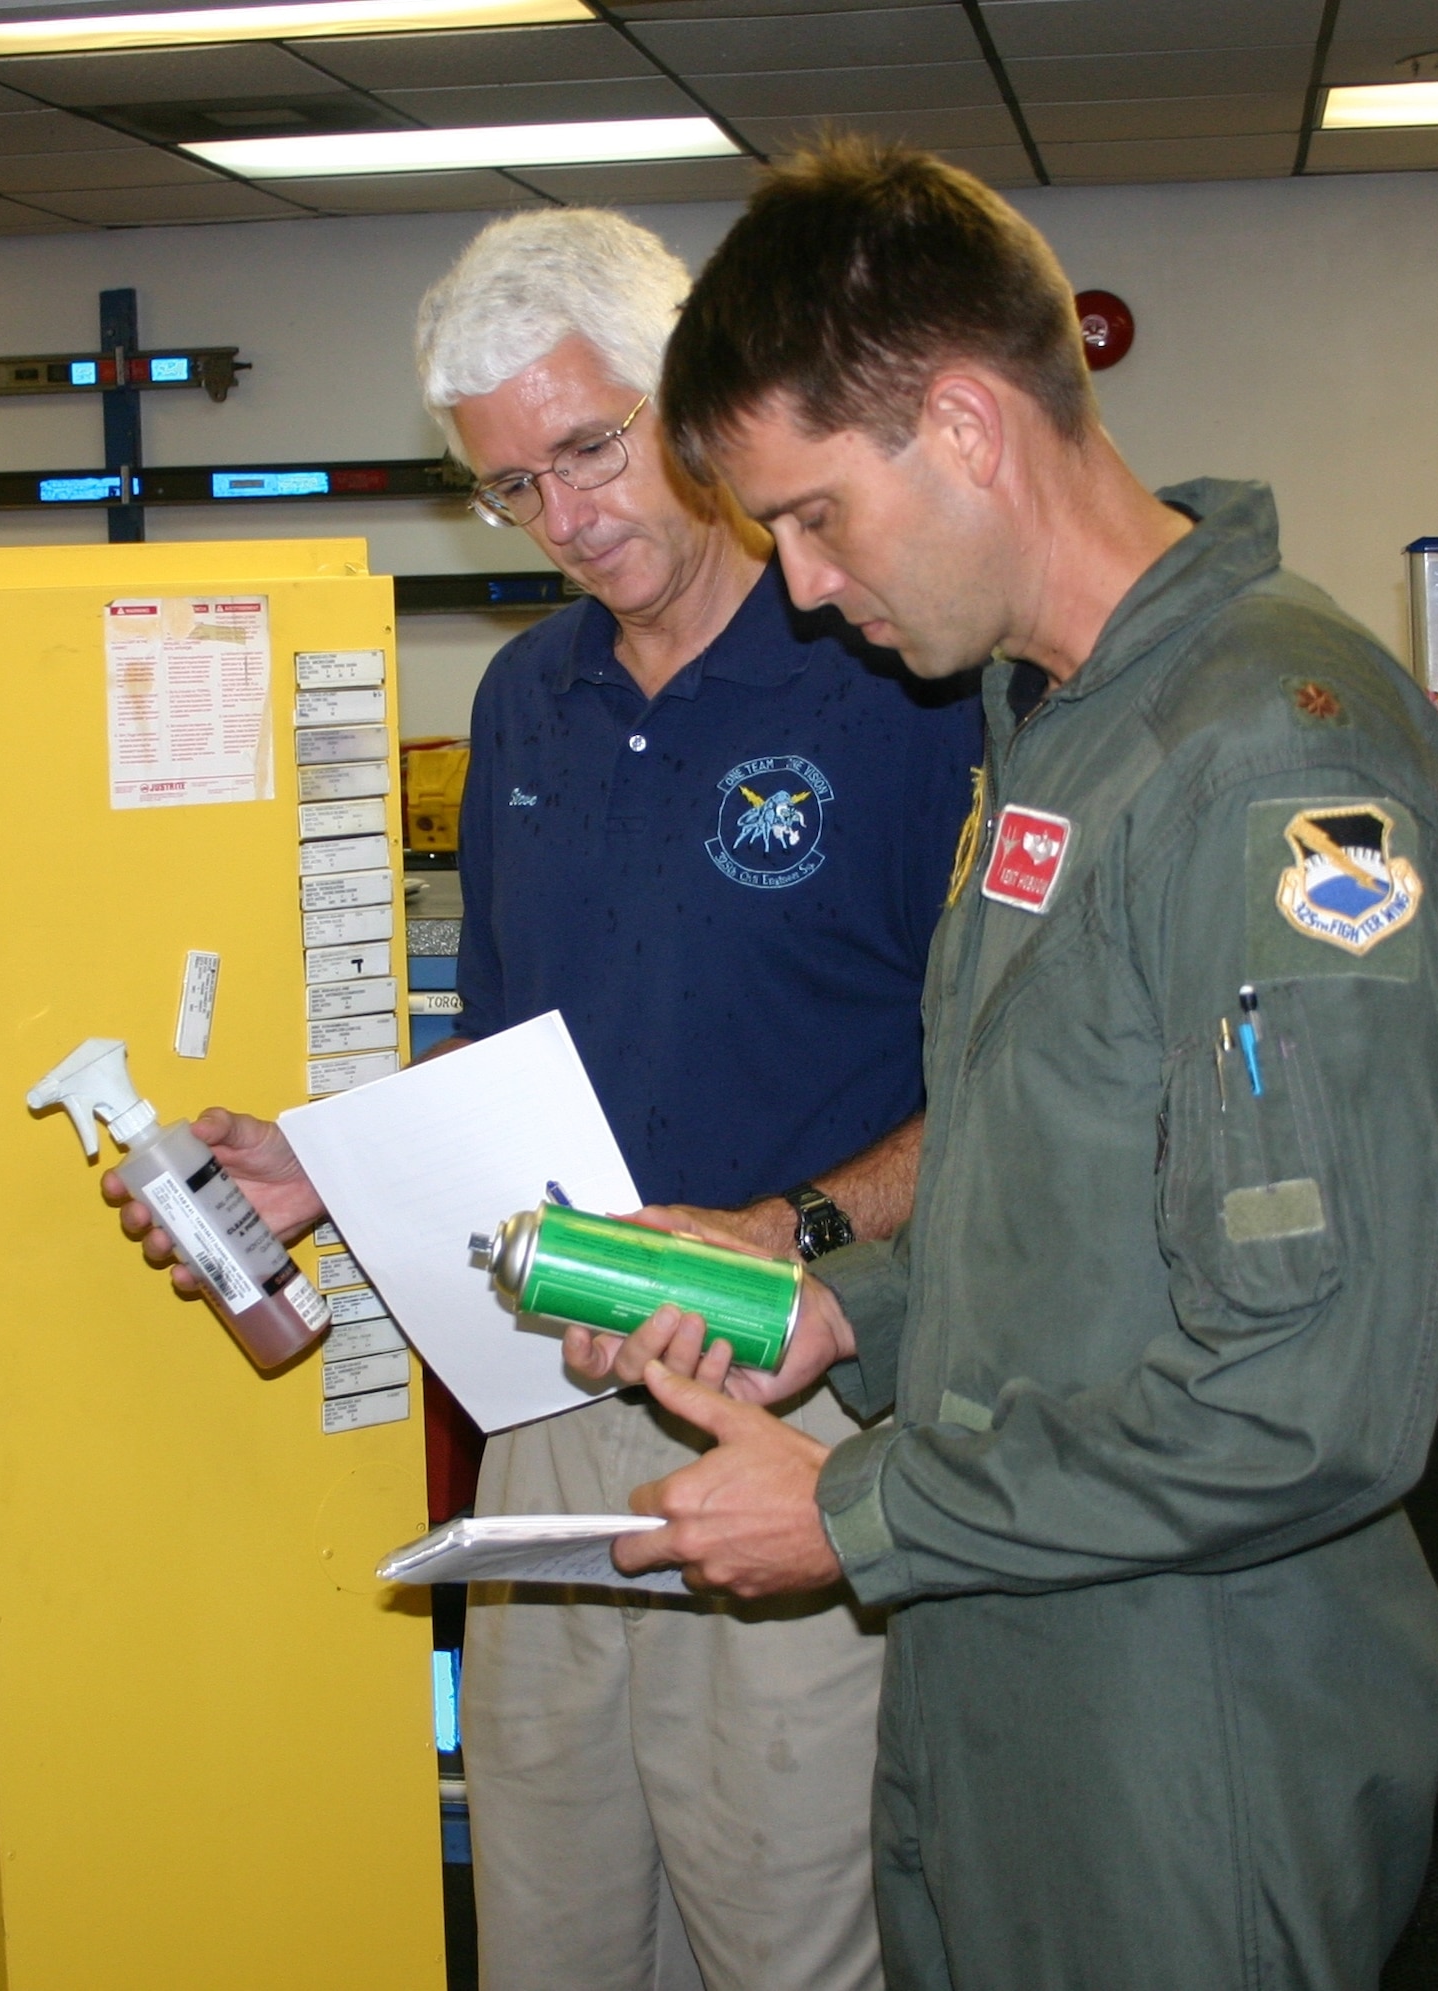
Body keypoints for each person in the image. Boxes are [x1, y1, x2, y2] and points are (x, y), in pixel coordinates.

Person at [587, 142, 1438, 1990]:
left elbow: (1304, 1402)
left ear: (969, 424)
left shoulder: (1261, 766)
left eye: (821, 517)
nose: (806, 586)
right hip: (1009, 1675)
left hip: (1189, 1735)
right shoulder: (1062, 737)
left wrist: (851, 1507)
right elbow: (1067, 1205)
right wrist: (832, 1308)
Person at [107, 205, 982, 1991]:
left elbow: (1008, 1090)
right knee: (559, 1933)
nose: (565, 518)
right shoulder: (529, 702)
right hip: (549, 1404)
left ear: (696, 399)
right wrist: (323, 1173)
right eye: (513, 487)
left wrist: (787, 1233)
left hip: (795, 1396)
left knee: (793, 1933)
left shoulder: (892, 678)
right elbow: (510, 1068)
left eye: (591, 449)